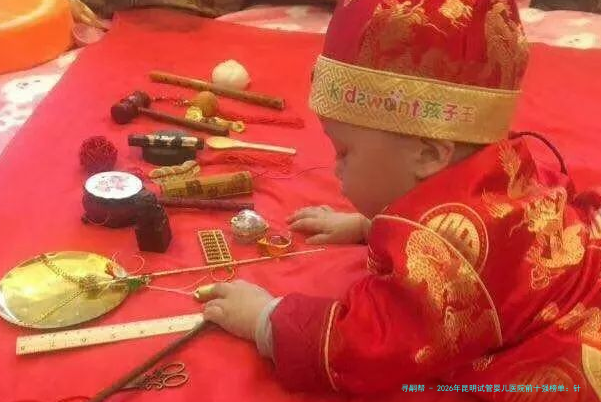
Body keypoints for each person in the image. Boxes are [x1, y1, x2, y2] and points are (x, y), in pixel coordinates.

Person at [200, 0, 601, 399]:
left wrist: (264, 318)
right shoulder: (504, 170)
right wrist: (367, 226)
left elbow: (366, 346)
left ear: (428, 154)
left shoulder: (448, 259)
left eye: (344, 152)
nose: (335, 168)